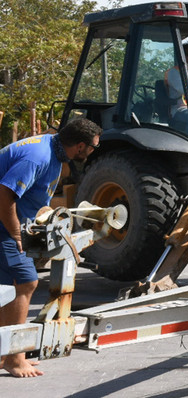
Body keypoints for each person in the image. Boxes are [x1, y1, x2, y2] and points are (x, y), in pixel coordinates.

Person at [1, 117, 101, 378]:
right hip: (2, 224)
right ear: (80, 146)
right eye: (92, 147)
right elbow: (3, 195)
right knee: (26, 282)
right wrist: (15, 233)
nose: (92, 152)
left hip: (6, 221)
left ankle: (4, 353)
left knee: (8, 286)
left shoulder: (52, 150)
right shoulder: (38, 156)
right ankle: (14, 358)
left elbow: (30, 197)